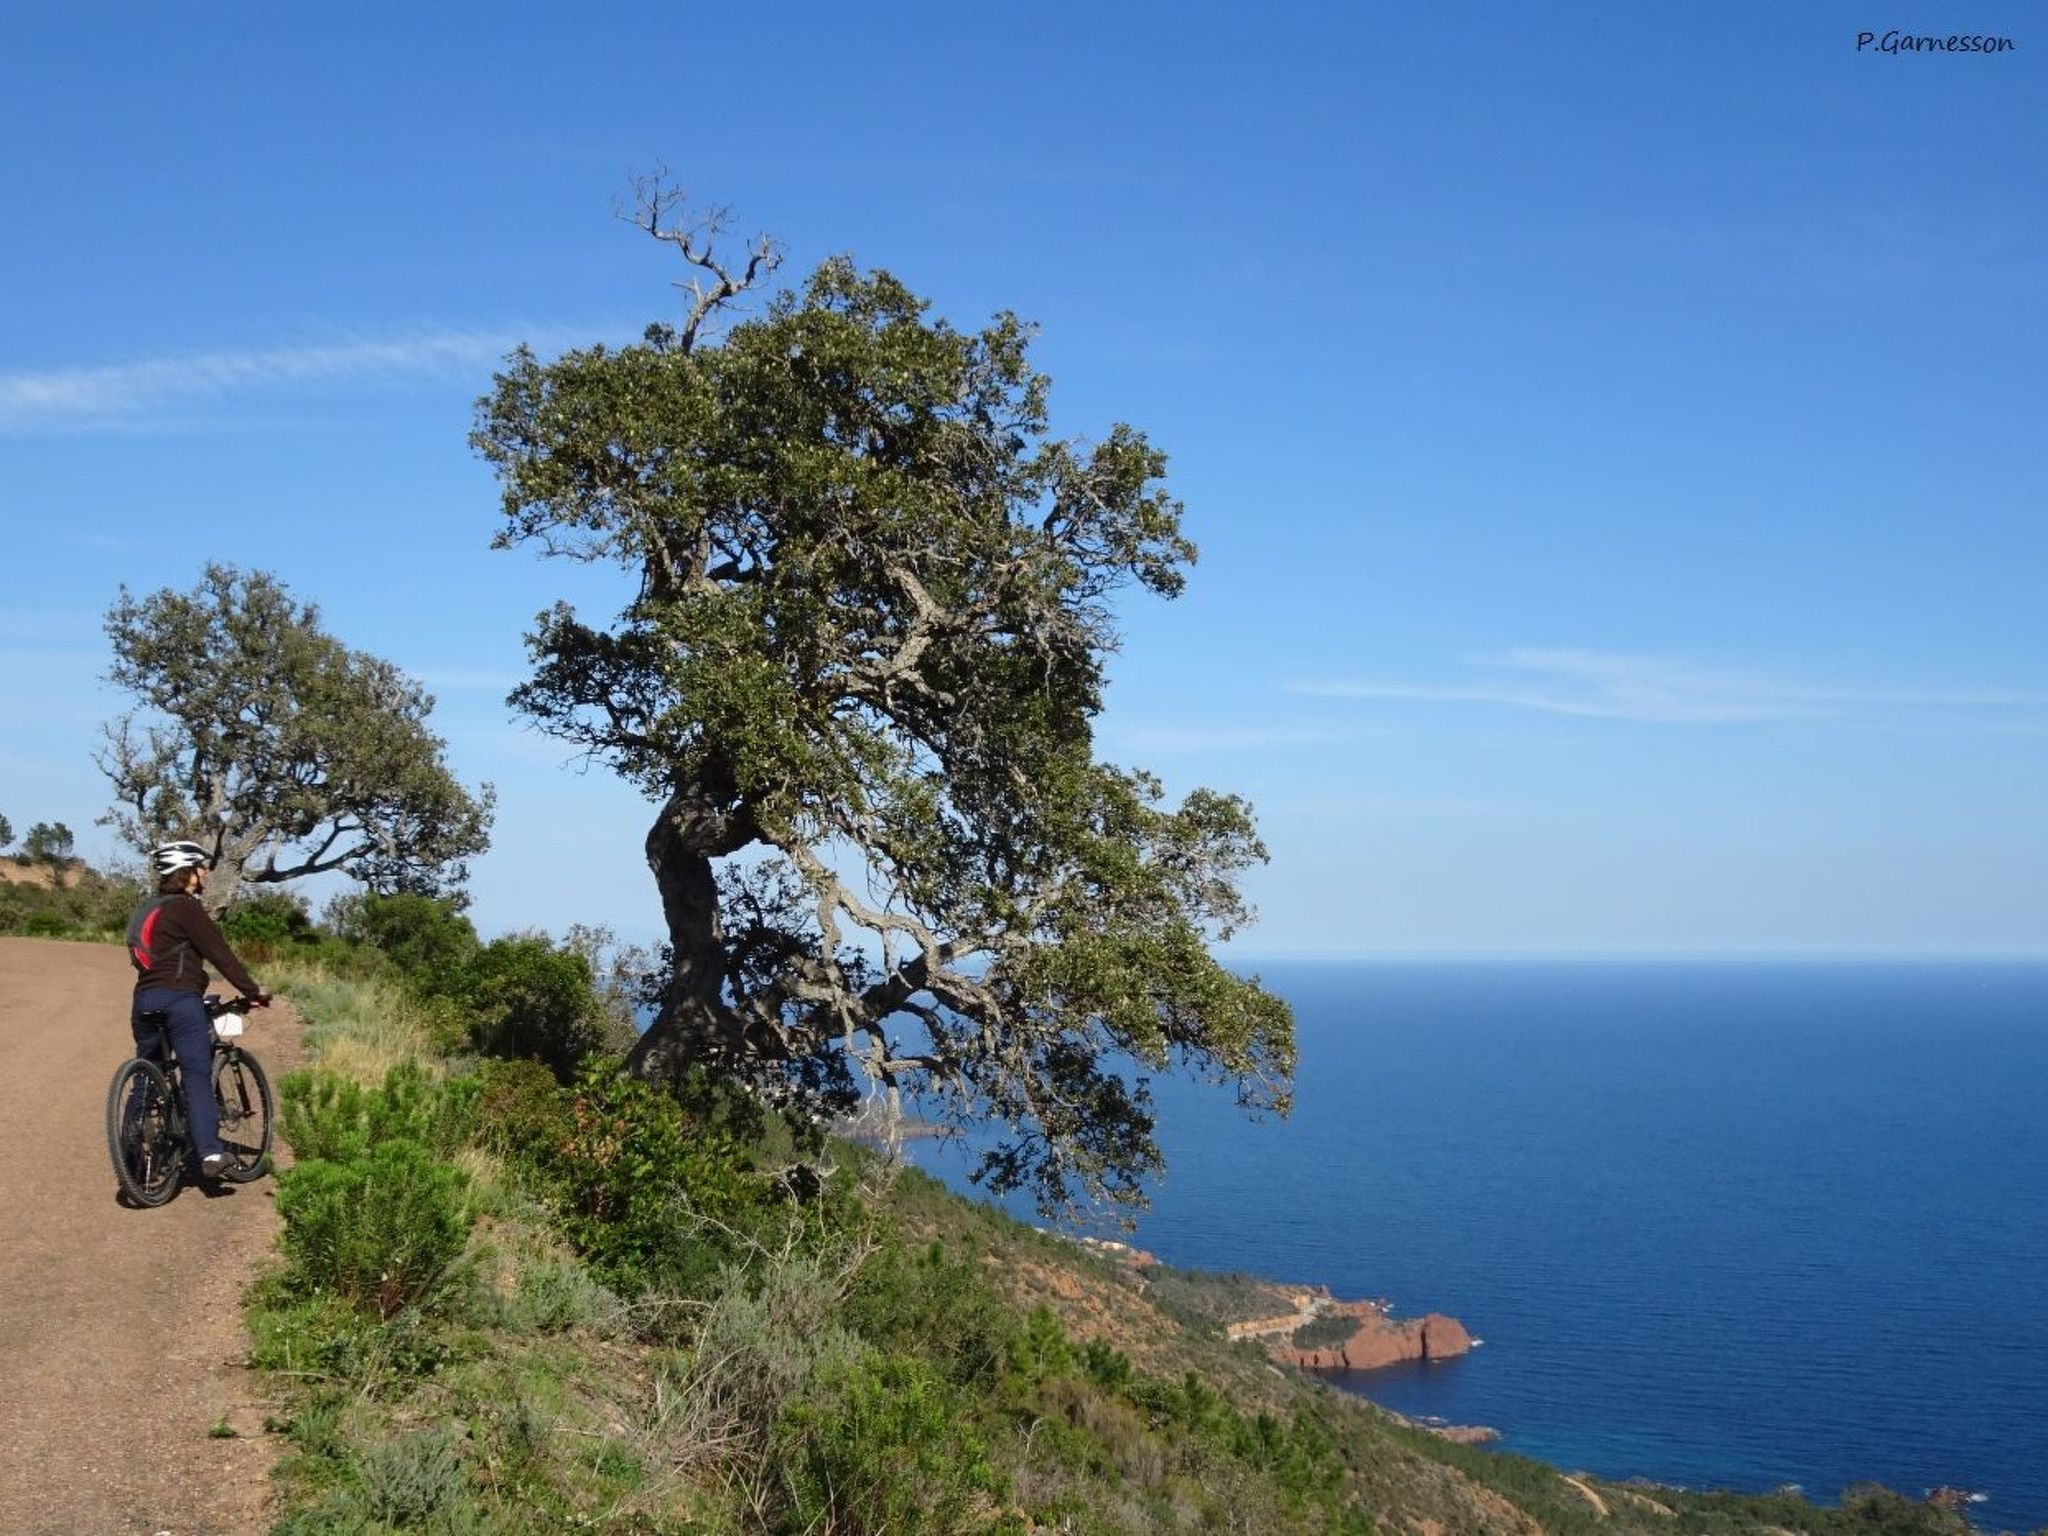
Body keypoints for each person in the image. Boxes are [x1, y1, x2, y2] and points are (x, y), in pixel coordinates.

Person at [127, 840, 271, 1180]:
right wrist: (252, 991)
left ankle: (133, 1149)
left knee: (147, 1074)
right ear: (187, 873)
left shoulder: (146, 908)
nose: (205, 873)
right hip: (180, 1000)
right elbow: (219, 952)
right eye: (201, 867)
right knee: (195, 1074)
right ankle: (209, 1152)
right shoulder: (186, 908)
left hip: (144, 1001)